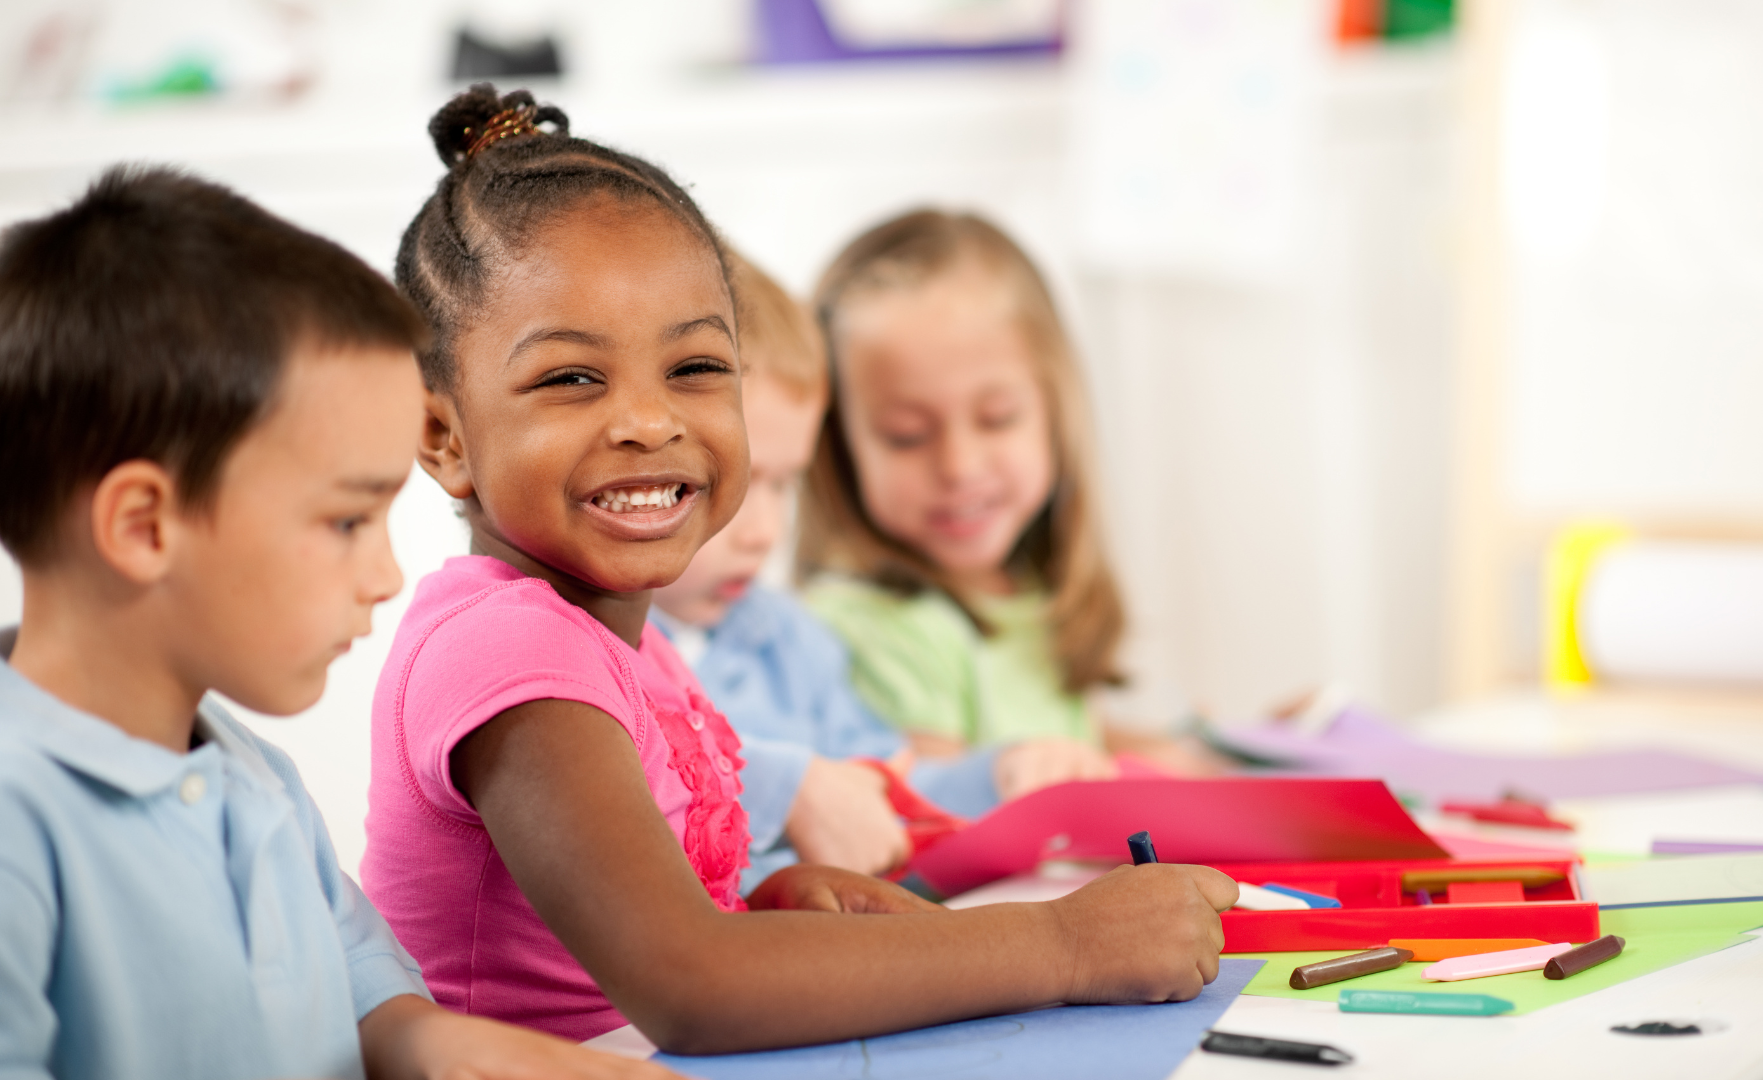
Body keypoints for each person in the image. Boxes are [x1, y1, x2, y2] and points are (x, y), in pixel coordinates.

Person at [360, 84, 1235, 1055]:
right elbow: (688, 986)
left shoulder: (621, 641)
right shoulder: (507, 649)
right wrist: (1065, 945)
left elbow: (669, 943)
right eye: (572, 378)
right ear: (442, 434)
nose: (652, 421)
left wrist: (767, 909)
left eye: (695, 368)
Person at [0, 168, 673, 1079]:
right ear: (144, 527)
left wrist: (439, 1041)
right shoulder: (20, 826)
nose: (385, 576)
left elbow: (360, 976)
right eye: (346, 521)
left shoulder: (240, 767)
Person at [802, 210, 1216, 785]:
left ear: (1054, 412)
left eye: (997, 420)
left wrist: (1204, 751)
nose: (959, 466)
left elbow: (1074, 736)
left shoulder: (1021, 591)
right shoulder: (875, 626)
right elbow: (934, 821)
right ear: (841, 447)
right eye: (907, 435)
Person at [648, 253, 1000, 893]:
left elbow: (882, 781)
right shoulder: (596, 654)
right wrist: (789, 788)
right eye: (729, 483)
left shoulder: (788, 638)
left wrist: (1001, 777)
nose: (764, 532)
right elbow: (638, 791)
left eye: (783, 486)